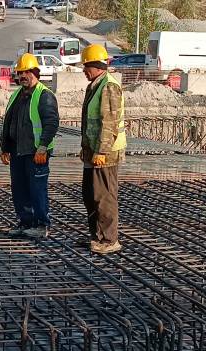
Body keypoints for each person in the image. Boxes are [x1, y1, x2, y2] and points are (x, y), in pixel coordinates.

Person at [0, 53, 60, 238]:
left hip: (36, 152)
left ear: (35, 72)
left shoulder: (44, 95)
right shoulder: (17, 94)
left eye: (26, 72)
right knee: (20, 189)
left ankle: (41, 225)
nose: (23, 76)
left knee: (37, 189)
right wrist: (4, 147)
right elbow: (9, 122)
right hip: (18, 151)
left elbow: (51, 123)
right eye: (20, 73)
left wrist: (43, 147)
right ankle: (25, 223)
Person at [78, 44, 126, 254]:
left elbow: (109, 123)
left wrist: (101, 151)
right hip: (93, 150)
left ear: (97, 65)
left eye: (86, 66)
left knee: (104, 196)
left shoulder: (108, 86)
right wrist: (86, 147)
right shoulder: (95, 85)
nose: (83, 70)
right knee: (90, 195)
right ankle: (96, 237)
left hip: (106, 153)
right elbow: (91, 122)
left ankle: (109, 240)